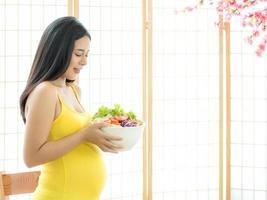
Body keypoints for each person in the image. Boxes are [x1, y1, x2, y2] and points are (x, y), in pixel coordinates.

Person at [19, 16, 122, 200]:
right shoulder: (46, 92)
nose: (84, 62)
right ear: (59, 51)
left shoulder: (73, 90)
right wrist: (84, 135)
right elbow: (31, 157)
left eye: (87, 54)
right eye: (78, 54)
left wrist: (99, 132)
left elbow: (71, 135)